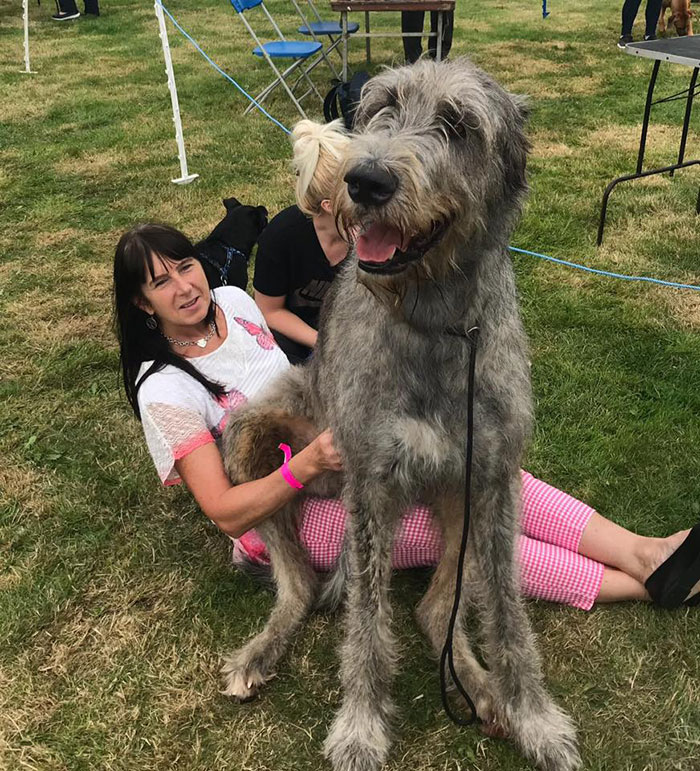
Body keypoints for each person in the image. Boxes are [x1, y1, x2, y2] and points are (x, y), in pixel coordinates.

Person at [114, 220, 699, 610]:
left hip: (344, 446)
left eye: (186, 267)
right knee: (454, 529)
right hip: (284, 516)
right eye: (161, 283)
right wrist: (308, 464)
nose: (184, 287)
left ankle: (644, 550)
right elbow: (225, 515)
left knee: (481, 472)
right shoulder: (164, 391)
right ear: (143, 303)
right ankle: (645, 586)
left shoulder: (235, 304)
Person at [253, 121, 351, 364]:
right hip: (301, 339)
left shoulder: (376, 233)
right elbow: (269, 310)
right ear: (329, 206)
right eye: (359, 204)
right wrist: (323, 344)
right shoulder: (282, 236)